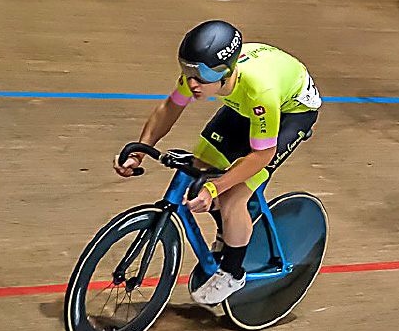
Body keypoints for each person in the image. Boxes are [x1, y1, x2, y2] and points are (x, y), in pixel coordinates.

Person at [115, 22, 320, 305]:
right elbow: (169, 108)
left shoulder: (259, 91)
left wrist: (217, 189)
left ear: (224, 71)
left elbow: (262, 156)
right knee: (200, 169)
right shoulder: (201, 77)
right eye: (188, 72)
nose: (193, 83)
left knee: (233, 195)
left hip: (290, 112)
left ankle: (233, 274)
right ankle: (230, 229)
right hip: (244, 106)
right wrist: (140, 151)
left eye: (201, 75)